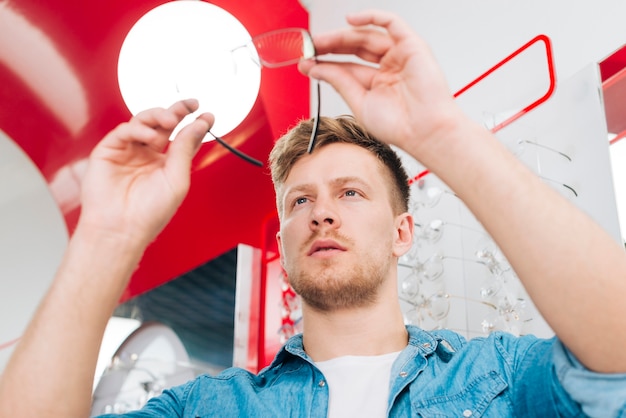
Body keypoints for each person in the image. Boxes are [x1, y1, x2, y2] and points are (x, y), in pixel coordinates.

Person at [1, 8, 626, 417]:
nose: (321, 214)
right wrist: (107, 234)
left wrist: (441, 133)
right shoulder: (211, 408)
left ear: (403, 231)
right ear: (286, 234)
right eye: (301, 201)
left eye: (351, 193)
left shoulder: (502, 379)